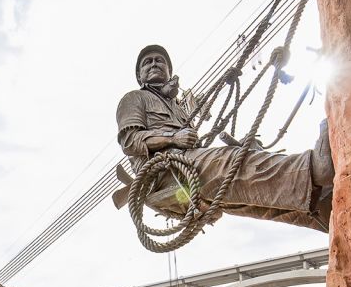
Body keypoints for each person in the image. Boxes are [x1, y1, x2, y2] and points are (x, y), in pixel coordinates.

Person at [115, 44, 334, 232]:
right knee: (229, 163)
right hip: (166, 174)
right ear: (139, 76)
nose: (154, 64)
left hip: (186, 172)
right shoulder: (134, 99)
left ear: (169, 70)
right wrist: (174, 137)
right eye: (147, 62)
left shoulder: (179, 108)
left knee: (241, 192)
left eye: (159, 61)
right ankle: (314, 169)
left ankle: (319, 210)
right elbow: (130, 141)